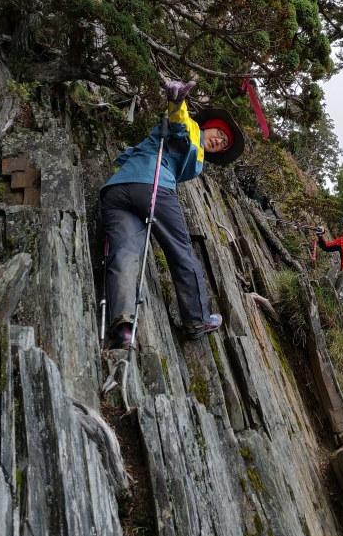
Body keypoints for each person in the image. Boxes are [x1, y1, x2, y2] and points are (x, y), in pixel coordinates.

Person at [100, 79, 244, 348]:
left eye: (223, 143)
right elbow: (180, 123)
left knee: (125, 254)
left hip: (117, 189)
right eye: (219, 133)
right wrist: (177, 102)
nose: (219, 140)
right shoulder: (193, 129)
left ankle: (124, 327)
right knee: (181, 251)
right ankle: (197, 318)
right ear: (209, 125)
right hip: (152, 185)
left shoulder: (197, 150)